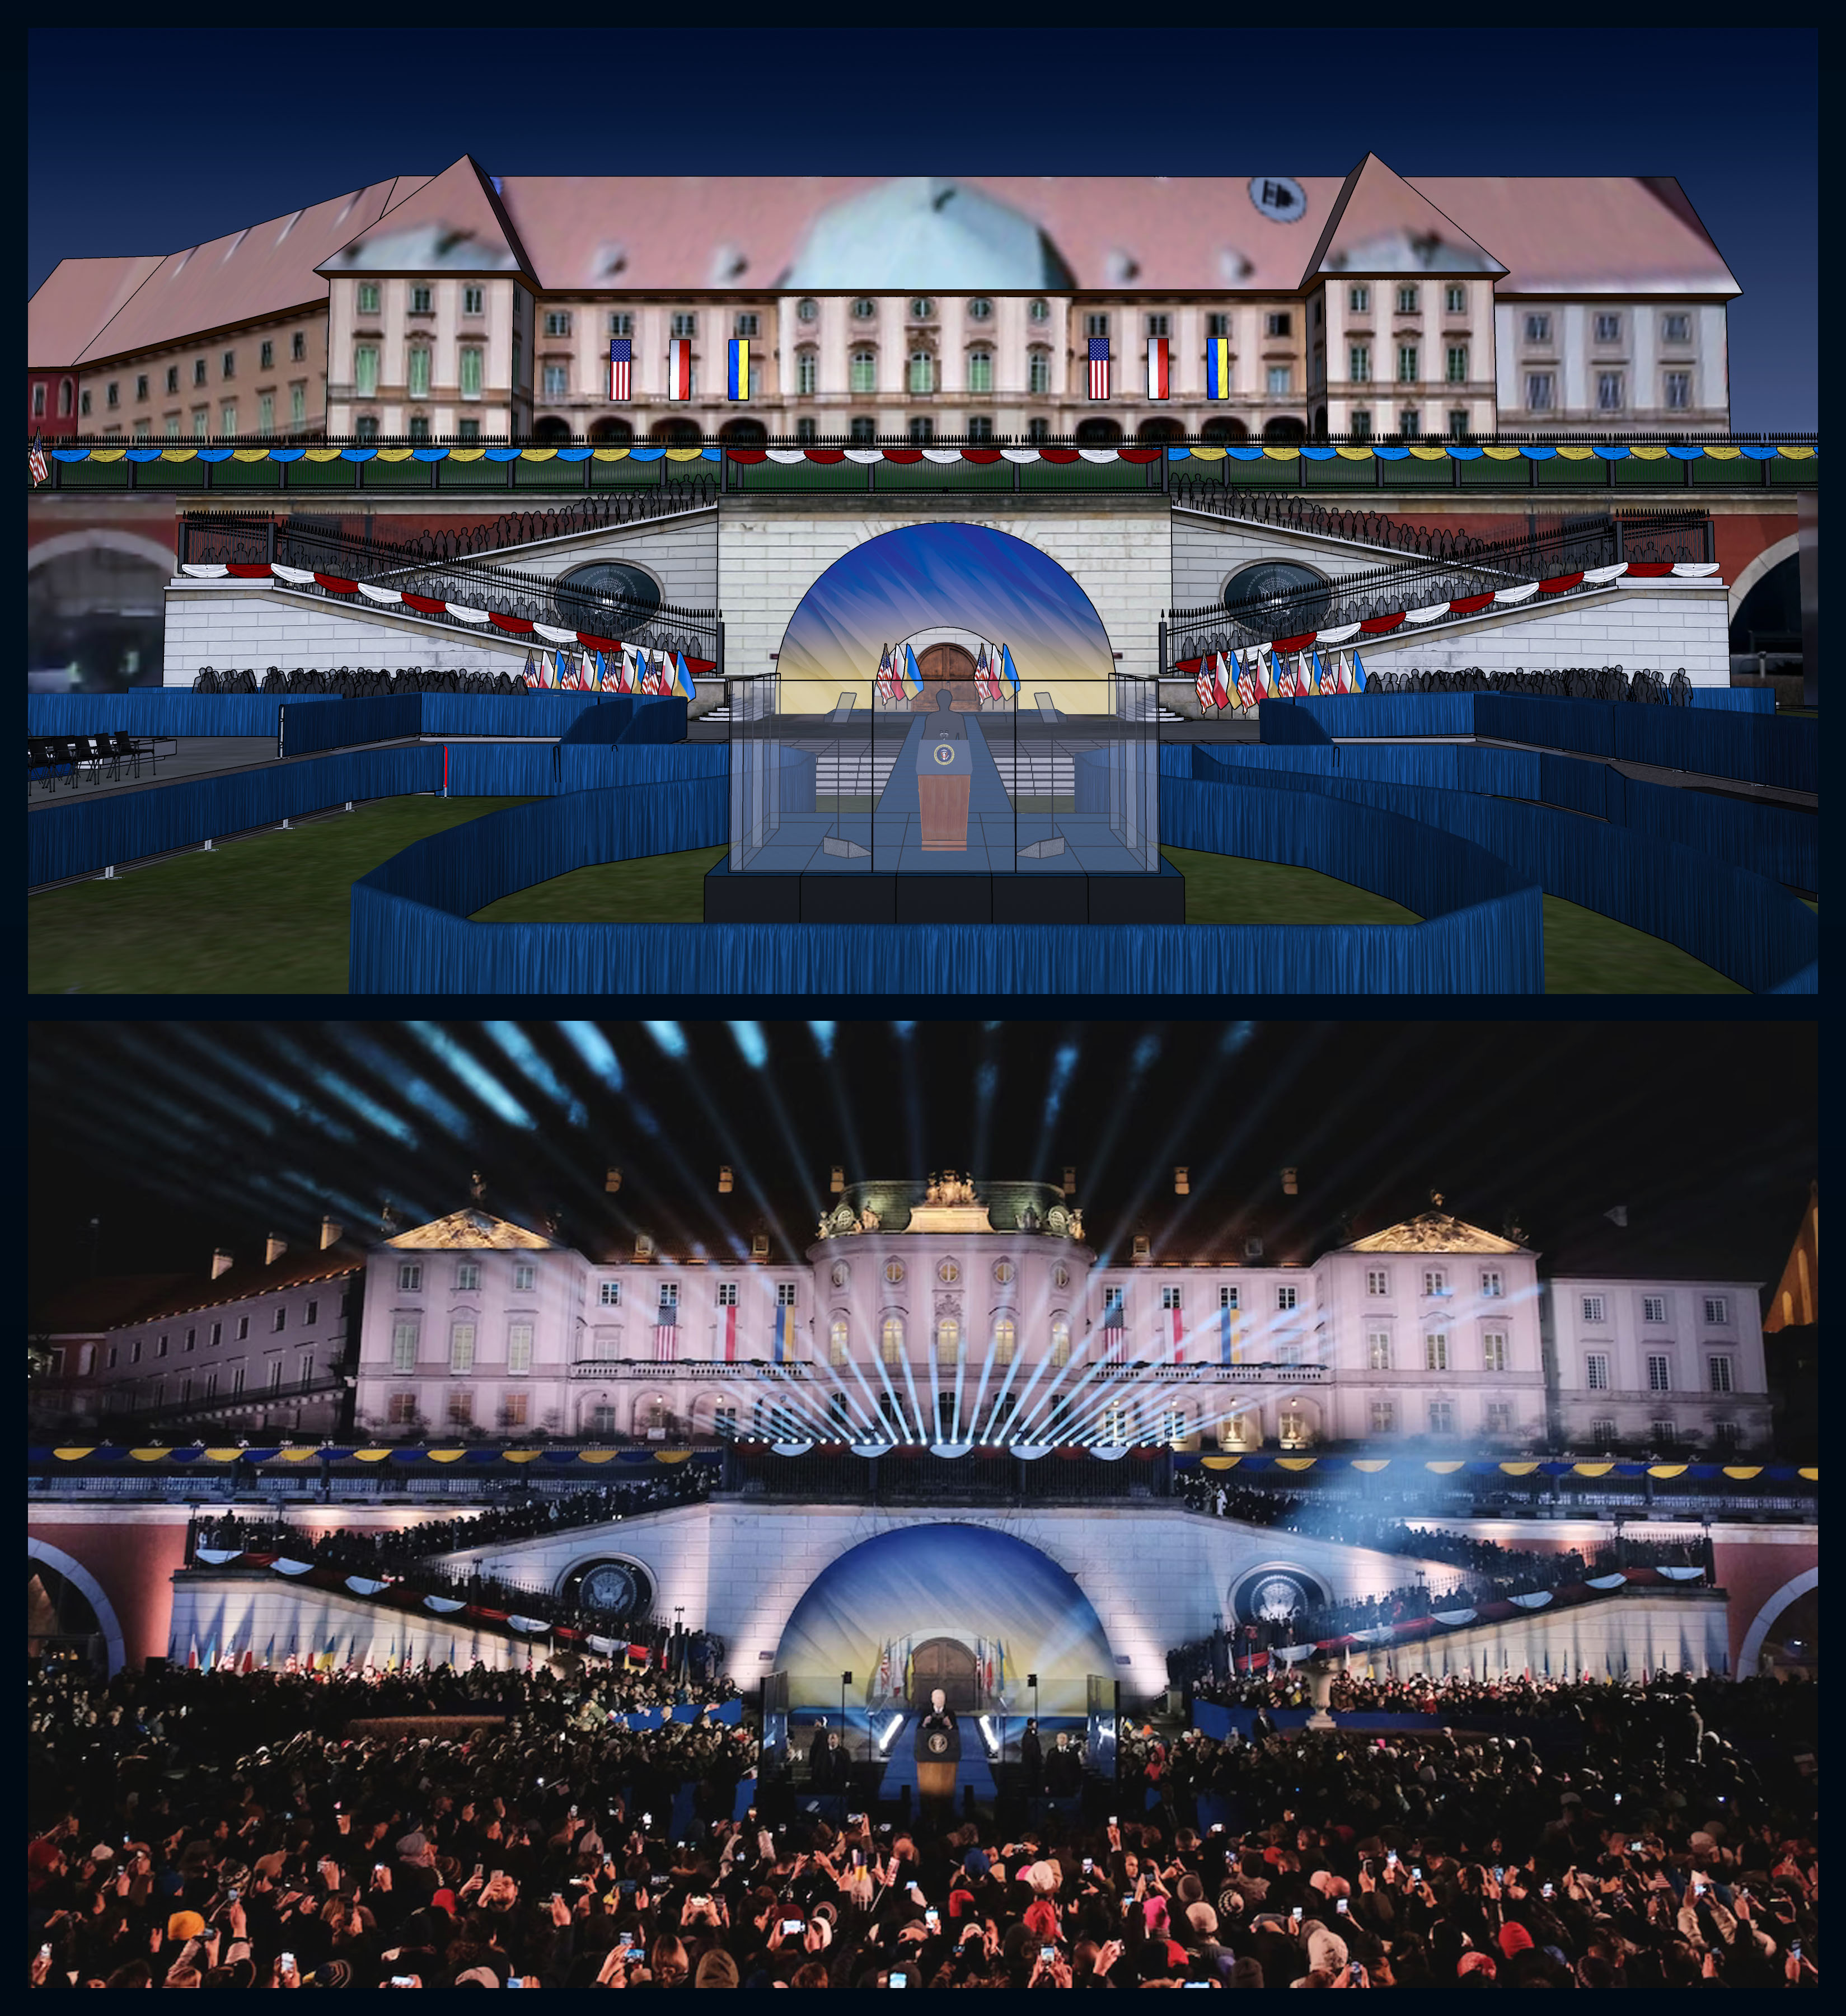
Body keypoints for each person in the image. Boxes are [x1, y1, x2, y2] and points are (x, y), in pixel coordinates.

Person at [1018, 1718, 1043, 1792]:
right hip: (1031, 1763)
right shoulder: (1029, 1735)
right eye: (1035, 1724)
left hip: (1032, 1762)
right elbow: (1032, 1749)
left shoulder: (1032, 1734)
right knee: (1032, 1780)